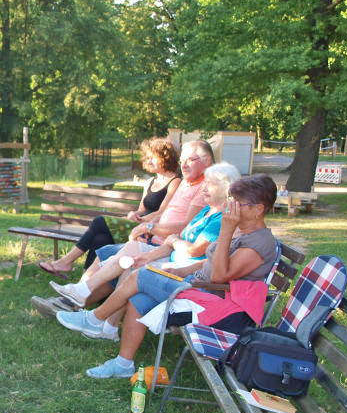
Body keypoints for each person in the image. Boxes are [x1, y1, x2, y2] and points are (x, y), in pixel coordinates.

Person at [74, 174, 279, 379]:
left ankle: (94, 319)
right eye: (230, 201)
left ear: (258, 209)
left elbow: (218, 276)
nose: (229, 208)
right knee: (139, 299)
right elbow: (212, 262)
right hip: (196, 286)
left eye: (236, 204)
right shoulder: (243, 232)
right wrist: (181, 271)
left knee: (141, 276)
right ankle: (123, 364)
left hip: (216, 305)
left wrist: (226, 230)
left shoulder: (260, 242)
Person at [53, 162, 240, 318]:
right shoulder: (206, 211)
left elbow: (193, 251)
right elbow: (174, 242)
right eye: (205, 183)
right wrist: (151, 253)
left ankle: (97, 312)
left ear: (227, 188)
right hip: (171, 256)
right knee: (128, 249)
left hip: (186, 270)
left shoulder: (222, 217)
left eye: (211, 184)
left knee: (123, 257)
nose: (204, 188)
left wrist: (171, 241)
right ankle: (85, 295)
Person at [39, 137, 181, 276]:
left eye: (152, 157)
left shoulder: (175, 182)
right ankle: (85, 281)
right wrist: (134, 214)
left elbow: (162, 212)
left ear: (165, 157)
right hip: (136, 223)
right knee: (100, 239)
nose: (148, 161)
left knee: (99, 221)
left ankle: (66, 262)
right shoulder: (150, 181)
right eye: (148, 157)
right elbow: (141, 209)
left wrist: (140, 221)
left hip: (149, 230)